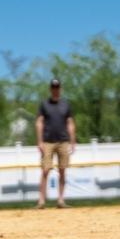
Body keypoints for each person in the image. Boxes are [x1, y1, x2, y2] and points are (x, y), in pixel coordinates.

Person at [35, 78, 76, 209]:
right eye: (53, 87)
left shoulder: (66, 104)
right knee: (45, 170)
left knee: (62, 170)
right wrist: (40, 141)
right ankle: (41, 201)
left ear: (60, 88)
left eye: (57, 87)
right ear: (50, 89)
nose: (55, 89)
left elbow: (70, 123)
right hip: (47, 141)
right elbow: (39, 122)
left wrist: (73, 140)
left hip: (63, 141)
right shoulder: (44, 104)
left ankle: (61, 200)